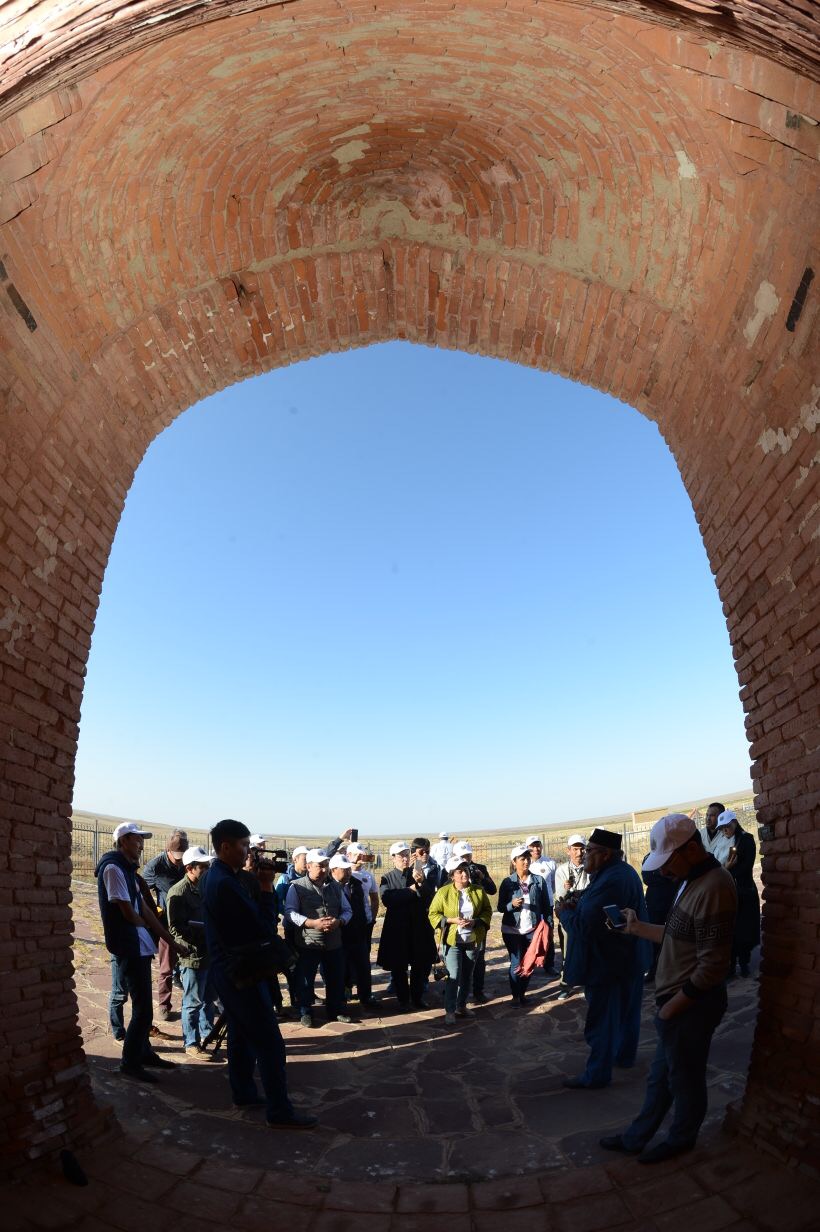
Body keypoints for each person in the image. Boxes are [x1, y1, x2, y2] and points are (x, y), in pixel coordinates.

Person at [600, 813, 737, 1163]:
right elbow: (677, 935)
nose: (662, 872)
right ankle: (636, 1138)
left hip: (690, 1006)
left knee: (685, 1080)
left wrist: (669, 1010)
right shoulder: (691, 880)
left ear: (690, 849)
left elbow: (712, 966)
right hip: (677, 1006)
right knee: (662, 1079)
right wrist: (635, 928)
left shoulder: (713, 887)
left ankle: (681, 1140)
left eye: (667, 862)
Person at [203, 818, 316, 1129]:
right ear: (225, 846)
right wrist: (266, 887)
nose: (248, 852)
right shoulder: (225, 884)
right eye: (243, 846)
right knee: (269, 1043)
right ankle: (279, 1111)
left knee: (240, 1035)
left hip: (227, 969)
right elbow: (263, 927)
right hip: (241, 973)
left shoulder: (217, 876)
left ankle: (243, 1092)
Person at [555, 828, 650, 1089]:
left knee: (603, 1021)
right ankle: (624, 1057)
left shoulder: (612, 880)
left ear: (606, 854)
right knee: (627, 1014)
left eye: (589, 851)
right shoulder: (620, 872)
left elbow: (586, 927)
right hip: (628, 958)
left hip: (608, 963)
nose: (584, 855)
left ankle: (597, 1074)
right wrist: (581, 901)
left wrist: (564, 913)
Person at [95, 821, 180, 1083]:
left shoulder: (128, 870)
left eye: (141, 839)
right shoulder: (113, 868)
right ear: (123, 841)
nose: (141, 845)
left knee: (144, 1007)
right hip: (128, 945)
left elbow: (143, 909)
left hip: (139, 945)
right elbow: (128, 912)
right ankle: (130, 1062)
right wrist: (145, 925)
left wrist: (170, 940)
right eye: (136, 839)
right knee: (142, 1008)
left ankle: (143, 1052)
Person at [285, 848, 353, 1028]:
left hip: (334, 942)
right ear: (308, 866)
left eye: (325, 866)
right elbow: (290, 912)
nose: (324, 870)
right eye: (319, 866)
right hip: (308, 942)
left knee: (335, 978)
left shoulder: (336, 887)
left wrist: (339, 921)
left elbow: (347, 910)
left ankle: (335, 1010)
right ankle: (305, 1012)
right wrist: (311, 923)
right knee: (305, 980)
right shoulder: (296, 886)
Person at [166, 846, 220, 1060]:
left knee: (209, 998)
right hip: (193, 955)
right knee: (193, 1002)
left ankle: (207, 1032)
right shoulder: (178, 893)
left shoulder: (206, 888)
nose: (207, 870)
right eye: (203, 867)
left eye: (208, 866)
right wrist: (201, 933)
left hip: (210, 952)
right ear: (190, 868)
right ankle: (191, 1042)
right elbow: (175, 928)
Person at [428, 856, 493, 1025]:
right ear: (452, 875)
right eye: (459, 871)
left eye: (465, 870)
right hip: (452, 941)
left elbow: (487, 910)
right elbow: (433, 914)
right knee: (454, 975)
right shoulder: (443, 892)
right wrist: (451, 920)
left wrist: (476, 922)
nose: (464, 874)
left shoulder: (478, 891)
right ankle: (450, 1010)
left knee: (467, 975)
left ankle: (461, 1006)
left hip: (472, 940)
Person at [377, 841, 439, 1009]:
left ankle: (417, 998)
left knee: (420, 964)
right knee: (399, 967)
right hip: (397, 929)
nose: (404, 859)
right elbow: (388, 899)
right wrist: (411, 890)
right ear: (393, 858)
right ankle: (403, 1000)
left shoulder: (417, 874)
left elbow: (429, 897)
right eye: (401, 856)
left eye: (406, 855)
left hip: (418, 927)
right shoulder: (387, 877)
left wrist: (421, 883)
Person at [142, 829, 188, 1021]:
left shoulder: (188, 862)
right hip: (167, 925)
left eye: (182, 856)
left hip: (187, 923)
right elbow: (142, 891)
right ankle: (164, 1005)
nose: (179, 861)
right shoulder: (155, 866)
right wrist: (154, 911)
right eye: (176, 856)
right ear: (167, 850)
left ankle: (192, 1006)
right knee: (166, 968)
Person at [497, 845, 551, 1005]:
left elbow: (546, 906)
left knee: (529, 962)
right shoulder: (507, 882)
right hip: (511, 930)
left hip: (532, 929)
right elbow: (500, 907)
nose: (526, 861)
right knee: (516, 963)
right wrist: (511, 905)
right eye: (522, 859)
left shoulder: (538, 880)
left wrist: (548, 926)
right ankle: (515, 996)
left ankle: (522, 994)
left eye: (528, 858)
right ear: (514, 862)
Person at [715, 810, 760, 977]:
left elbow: (746, 866)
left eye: (726, 827)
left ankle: (744, 962)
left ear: (734, 823)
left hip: (743, 890)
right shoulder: (722, 842)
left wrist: (727, 871)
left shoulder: (745, 839)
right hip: (728, 891)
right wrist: (725, 870)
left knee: (744, 930)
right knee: (730, 931)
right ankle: (731, 964)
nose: (724, 831)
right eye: (721, 828)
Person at [451, 840, 496, 1003]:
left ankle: (478, 990)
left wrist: (482, 878)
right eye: (463, 856)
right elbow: (444, 890)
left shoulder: (479, 868)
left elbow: (492, 890)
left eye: (468, 856)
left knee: (479, 956)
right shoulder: (451, 869)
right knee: (456, 959)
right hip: (457, 923)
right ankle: (456, 990)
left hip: (477, 922)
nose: (466, 859)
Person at [331, 853, 377, 1007]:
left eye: (349, 869)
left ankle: (366, 996)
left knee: (363, 966)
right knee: (341, 968)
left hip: (358, 933)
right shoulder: (328, 887)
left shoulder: (356, 884)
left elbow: (362, 905)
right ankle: (341, 999)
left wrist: (365, 924)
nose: (348, 872)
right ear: (333, 870)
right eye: (344, 869)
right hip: (339, 935)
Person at [553, 834, 589, 1000]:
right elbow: (560, 897)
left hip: (586, 914)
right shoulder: (561, 870)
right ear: (568, 851)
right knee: (567, 952)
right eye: (575, 849)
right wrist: (568, 889)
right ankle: (566, 984)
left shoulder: (590, 867)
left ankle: (588, 982)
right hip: (569, 915)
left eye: (581, 849)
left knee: (588, 949)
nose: (579, 853)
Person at [526, 835, 558, 975]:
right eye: (532, 846)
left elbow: (554, 884)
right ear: (528, 848)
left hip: (547, 905)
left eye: (538, 845)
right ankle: (530, 962)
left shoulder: (550, 863)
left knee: (548, 933)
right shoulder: (525, 863)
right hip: (531, 906)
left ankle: (549, 964)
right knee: (530, 934)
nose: (536, 849)